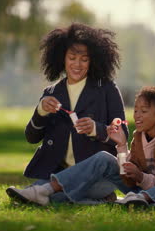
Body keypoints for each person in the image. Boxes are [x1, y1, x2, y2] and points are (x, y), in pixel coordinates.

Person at [7, 86, 155, 207]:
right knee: (106, 158)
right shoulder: (139, 136)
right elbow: (127, 176)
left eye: (145, 111)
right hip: (138, 194)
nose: (137, 116)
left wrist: (141, 178)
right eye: (137, 110)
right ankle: (44, 191)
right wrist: (122, 148)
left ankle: (140, 200)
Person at [19, 23, 129, 202]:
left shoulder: (107, 88)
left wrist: (96, 129)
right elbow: (31, 137)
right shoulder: (51, 93)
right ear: (62, 58)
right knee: (47, 198)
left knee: (44, 197)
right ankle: (99, 200)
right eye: (72, 58)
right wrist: (40, 111)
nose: (77, 64)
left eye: (84, 59)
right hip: (59, 174)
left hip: (98, 177)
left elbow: (123, 134)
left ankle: (49, 193)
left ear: (93, 61)